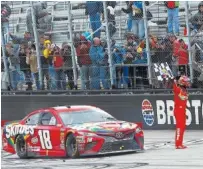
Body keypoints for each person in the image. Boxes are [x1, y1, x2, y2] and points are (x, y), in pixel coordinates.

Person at [173, 75, 190, 149]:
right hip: (178, 110)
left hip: (182, 110)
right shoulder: (178, 89)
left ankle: (180, 143)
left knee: (183, 127)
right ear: (182, 82)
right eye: (186, 81)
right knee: (179, 128)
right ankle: (178, 144)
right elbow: (174, 86)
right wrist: (174, 81)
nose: (187, 83)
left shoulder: (184, 89)